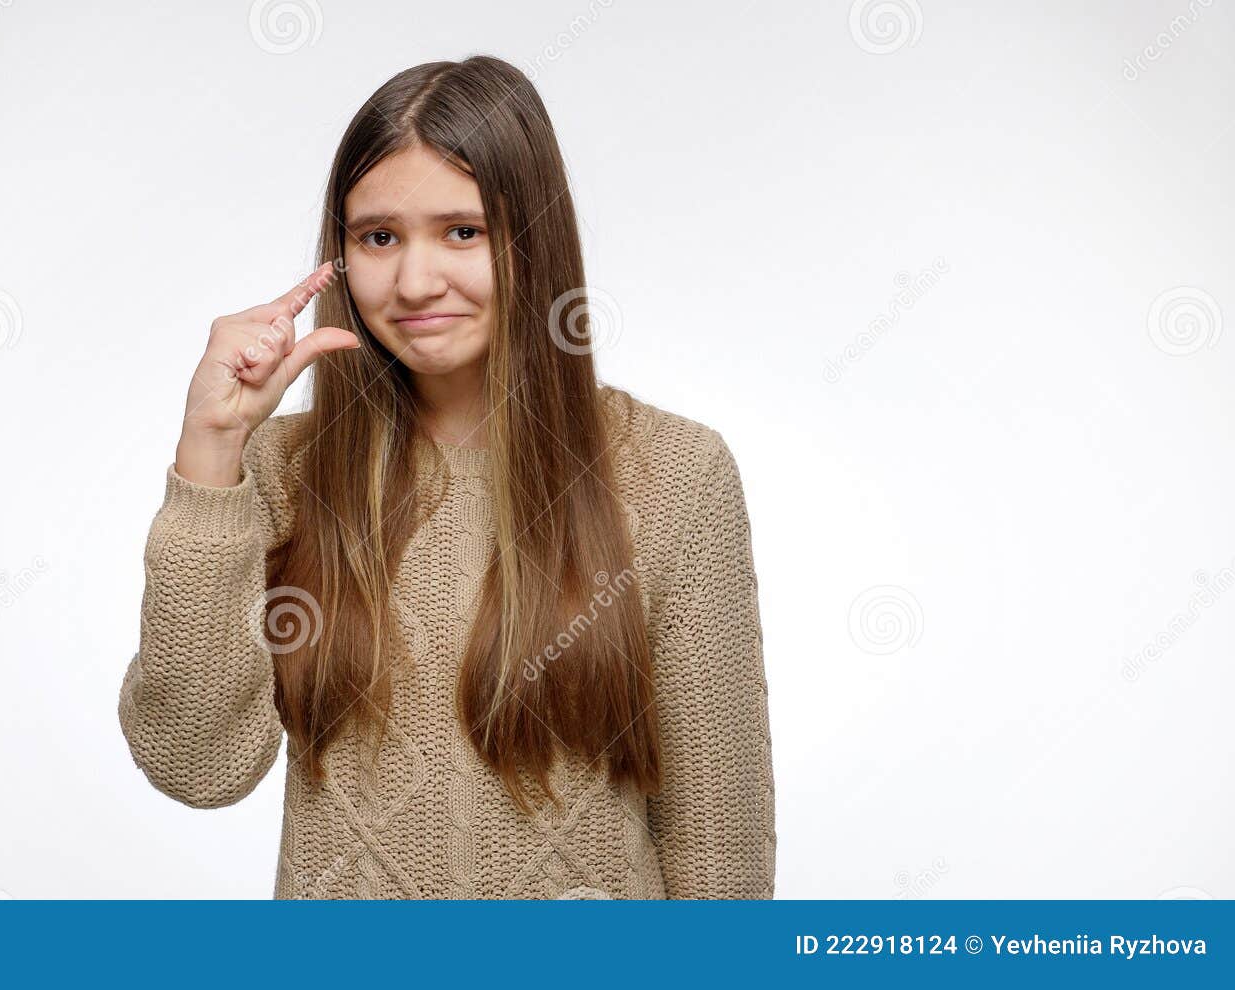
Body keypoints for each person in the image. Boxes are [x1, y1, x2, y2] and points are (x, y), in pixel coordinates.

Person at [118, 54, 775, 899]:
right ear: (342, 256)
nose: (415, 282)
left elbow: (719, 846)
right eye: (378, 237)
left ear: (533, 239)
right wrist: (210, 454)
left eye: (462, 231)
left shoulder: (677, 473)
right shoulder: (280, 473)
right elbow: (195, 766)